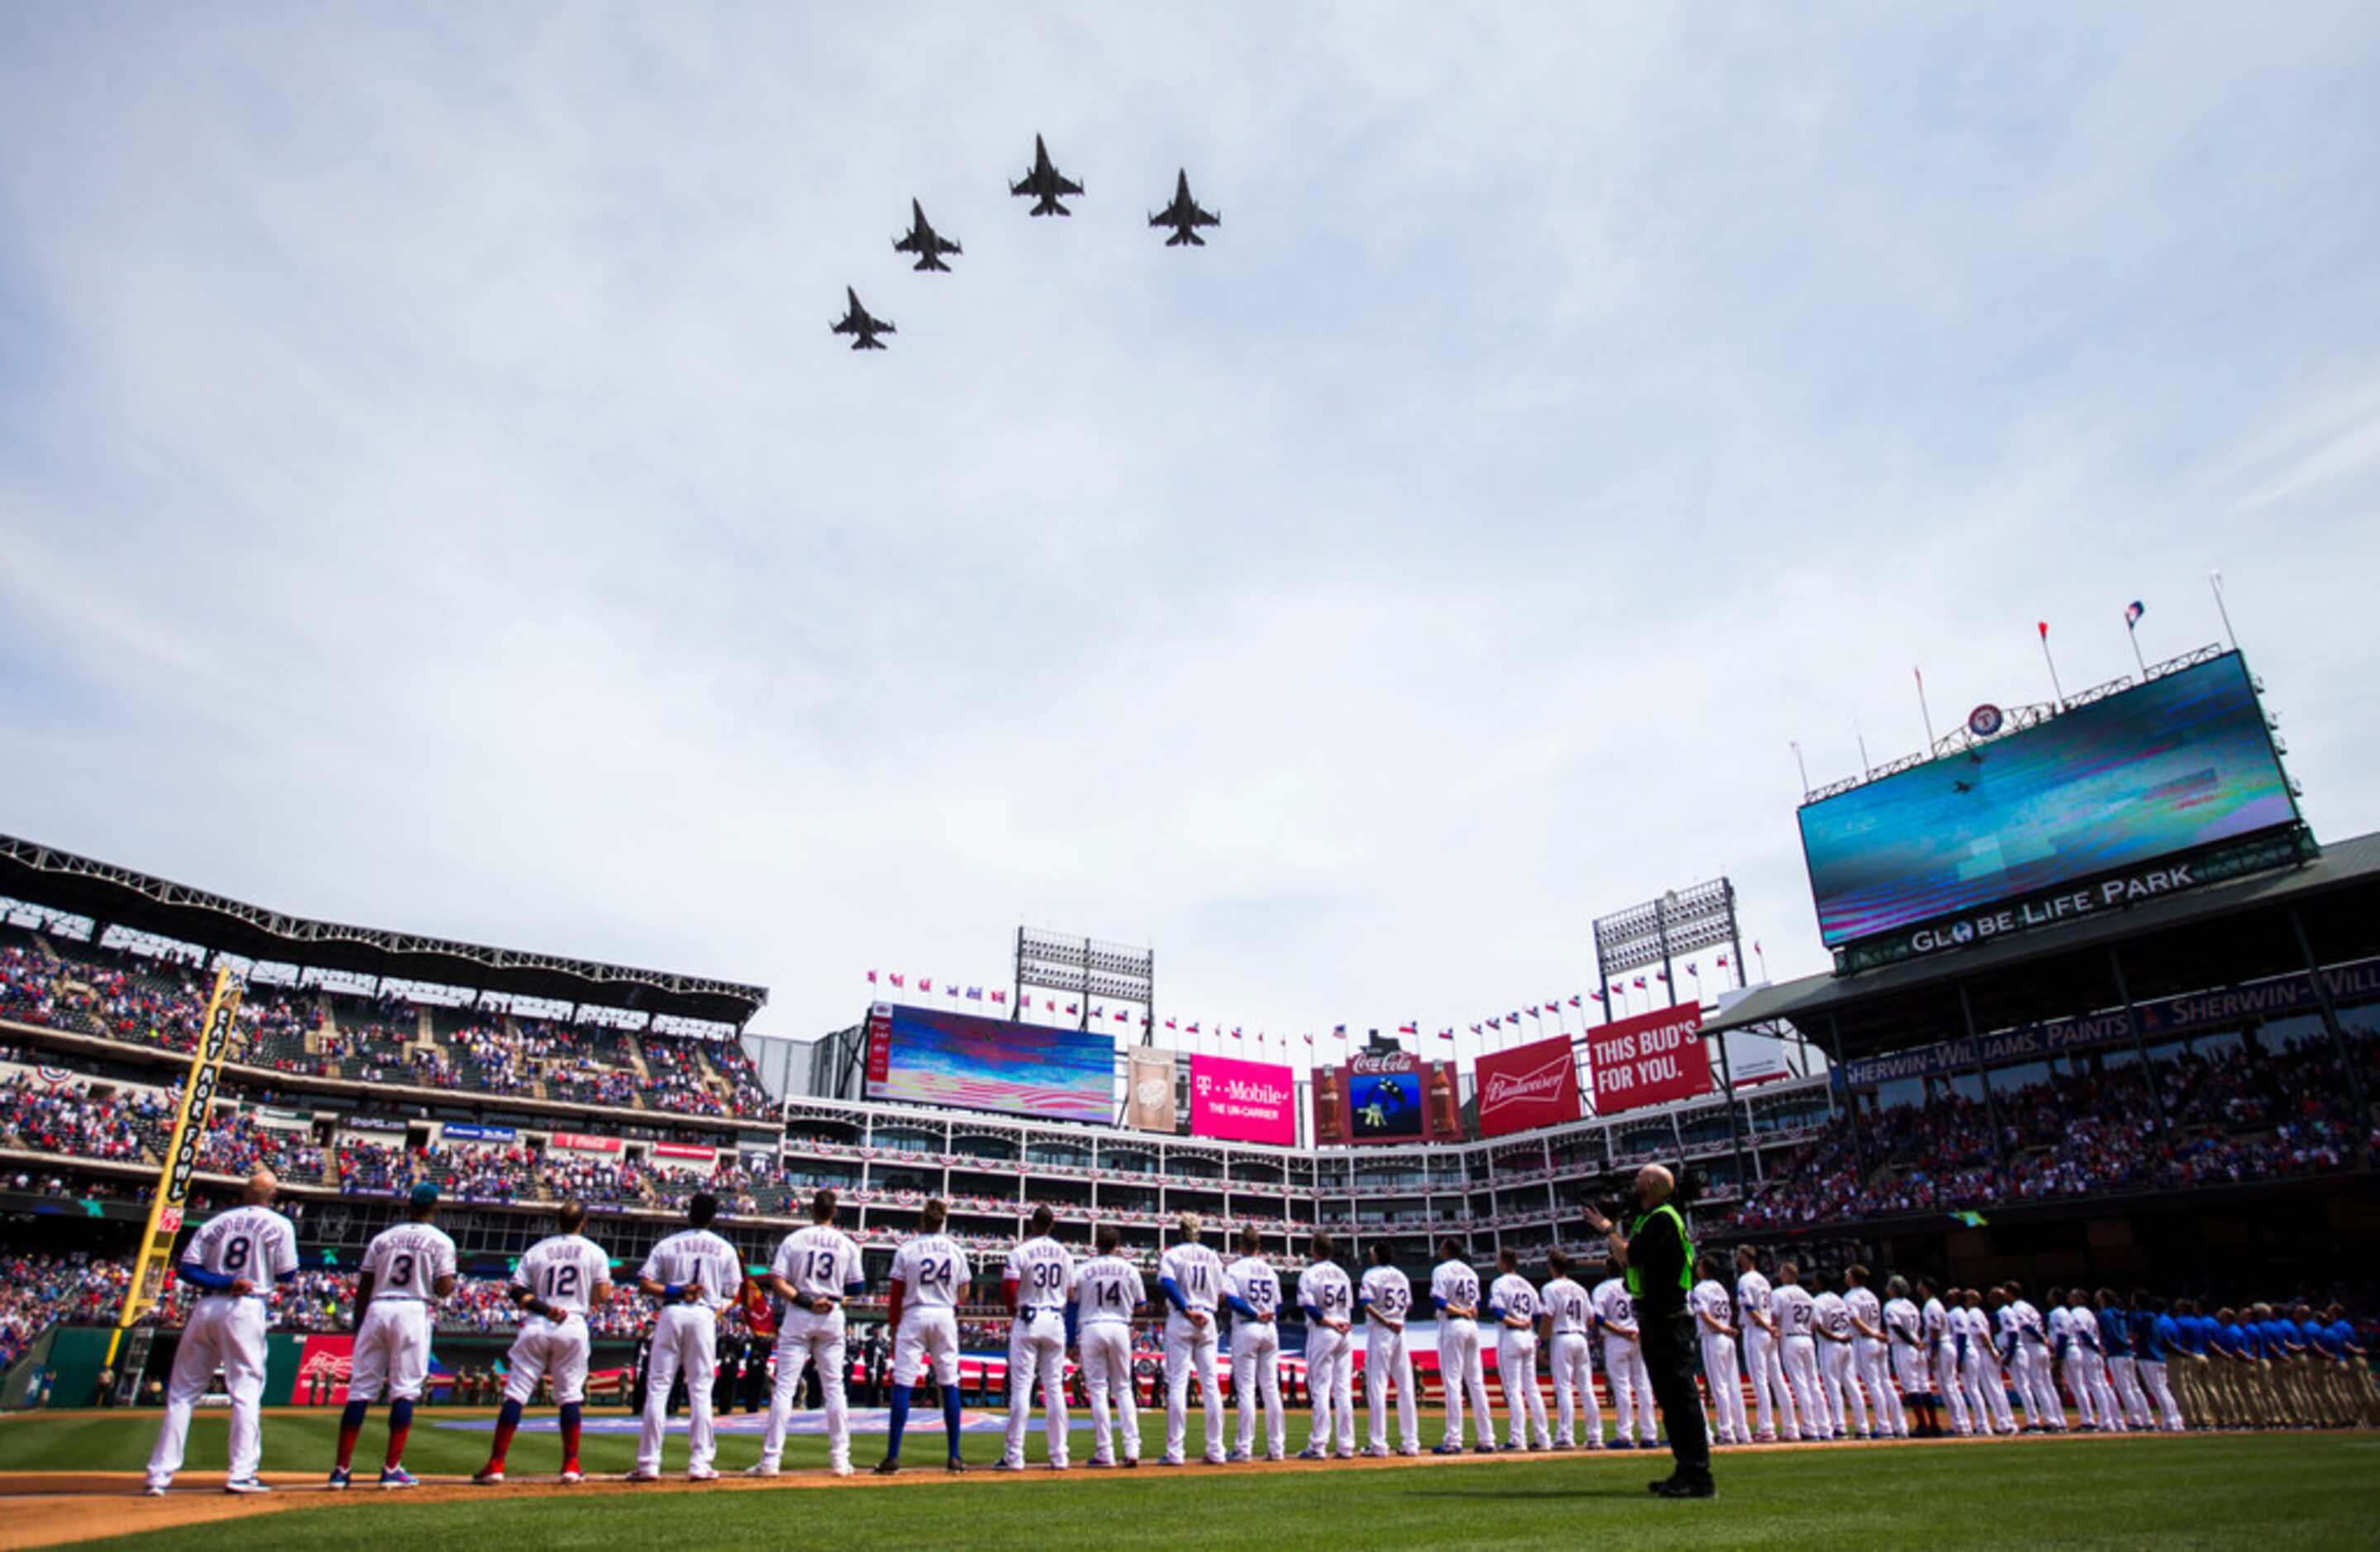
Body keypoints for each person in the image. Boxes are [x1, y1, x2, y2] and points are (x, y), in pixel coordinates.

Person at [142, 1169, 298, 1496]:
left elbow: (186, 1269)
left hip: (205, 1307)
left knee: (182, 1392)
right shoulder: (280, 1224)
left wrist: (223, 1280)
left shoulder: (215, 1223)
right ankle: (241, 1473)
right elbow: (287, 1274)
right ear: (273, 1197)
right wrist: (242, 1277)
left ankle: (159, 1475)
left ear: (245, 1193)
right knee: (245, 1391)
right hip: (245, 1307)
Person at [1583, 1164, 1712, 1497]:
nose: (1633, 1185)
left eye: (1640, 1180)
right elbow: (1631, 1262)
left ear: (1652, 1185)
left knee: (1680, 1399)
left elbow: (1629, 1255)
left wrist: (1608, 1228)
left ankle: (1698, 1475)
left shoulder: (1662, 1218)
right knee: (1671, 1399)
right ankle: (1686, 1470)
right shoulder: (1653, 1217)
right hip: (1655, 1316)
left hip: (1667, 1317)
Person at [474, 1202, 611, 1485]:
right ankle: (571, 1465)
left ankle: (496, 1463)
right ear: (583, 1222)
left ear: (557, 1221)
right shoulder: (595, 1252)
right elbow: (602, 1295)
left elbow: (517, 1290)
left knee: (516, 1393)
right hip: (572, 1322)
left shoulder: (537, 1250)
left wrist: (544, 1307)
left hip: (538, 1321)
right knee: (570, 1395)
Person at [331, 1182, 457, 1488]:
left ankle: (341, 1470)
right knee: (405, 1390)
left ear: (408, 1206)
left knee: (360, 1390)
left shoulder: (383, 1239)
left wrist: (360, 1324)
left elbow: (364, 1285)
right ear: (435, 1208)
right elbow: (444, 1288)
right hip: (412, 1309)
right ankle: (391, 1469)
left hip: (377, 1307)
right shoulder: (441, 1241)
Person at [629, 1191, 742, 1483]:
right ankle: (699, 1462)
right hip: (703, 1314)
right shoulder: (724, 1247)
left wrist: (676, 1290)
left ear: (689, 1213)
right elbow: (733, 1292)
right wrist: (717, 1309)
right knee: (701, 1389)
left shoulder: (669, 1244)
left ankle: (648, 1463)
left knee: (658, 1387)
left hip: (672, 1311)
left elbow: (644, 1284)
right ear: (713, 1217)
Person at [751, 1188, 865, 1478]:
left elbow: (778, 1282)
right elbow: (856, 1288)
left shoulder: (795, 1239)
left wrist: (807, 1300)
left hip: (801, 1312)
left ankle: (770, 1461)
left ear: (812, 1211)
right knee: (834, 1387)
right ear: (834, 1212)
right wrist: (832, 1297)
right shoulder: (846, 1243)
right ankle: (840, 1460)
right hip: (831, 1314)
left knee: (785, 1389)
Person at [875, 1197, 971, 1475]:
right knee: (949, 1383)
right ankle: (954, 1455)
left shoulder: (908, 1250)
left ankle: (893, 1455)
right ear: (942, 1222)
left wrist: (894, 1326)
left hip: (914, 1312)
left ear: (922, 1220)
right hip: (943, 1312)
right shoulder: (955, 1250)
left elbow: (895, 1295)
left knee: (903, 1383)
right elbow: (964, 1292)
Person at [999, 1204, 1076, 1471]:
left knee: (1021, 1388)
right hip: (1055, 1318)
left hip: (1028, 1317)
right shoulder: (1064, 1254)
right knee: (1054, 1389)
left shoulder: (1020, 1252)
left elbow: (1009, 1289)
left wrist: (1014, 1311)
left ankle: (1015, 1455)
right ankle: (1059, 1455)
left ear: (1032, 1224)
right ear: (1052, 1225)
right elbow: (1071, 1292)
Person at [1074, 1224, 1147, 1469]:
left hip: (1092, 1325)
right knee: (1124, 1388)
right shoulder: (1130, 1269)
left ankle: (1105, 1451)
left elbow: (1073, 1300)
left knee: (1097, 1390)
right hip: (1119, 1326)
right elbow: (1142, 1306)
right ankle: (1132, 1448)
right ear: (1118, 1245)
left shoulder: (1083, 1269)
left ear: (1096, 1244)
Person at [1157, 1212, 1227, 1466]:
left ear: (1180, 1231)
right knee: (1211, 1385)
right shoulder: (1212, 1256)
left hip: (1182, 1317)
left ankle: (1176, 1452)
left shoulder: (1173, 1254)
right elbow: (1221, 1294)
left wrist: (1187, 1309)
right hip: (1207, 1318)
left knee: (1178, 1383)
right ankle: (1216, 1449)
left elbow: (1166, 1283)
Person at [1223, 1226, 1285, 1463]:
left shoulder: (1235, 1268)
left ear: (1241, 1245)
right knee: (1271, 1389)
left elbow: (1232, 1300)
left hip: (1247, 1327)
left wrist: (1254, 1313)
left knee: (1247, 1390)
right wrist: (1267, 1314)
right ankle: (1277, 1448)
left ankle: (1244, 1448)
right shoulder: (1270, 1271)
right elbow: (1278, 1305)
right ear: (1258, 1246)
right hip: (1270, 1329)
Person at [1429, 1239, 1495, 1454]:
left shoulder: (1441, 1270)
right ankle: (1487, 1438)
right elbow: (1476, 1305)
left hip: (1453, 1324)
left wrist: (1459, 1311)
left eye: (1441, 1247)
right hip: (1471, 1325)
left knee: (1453, 1382)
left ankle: (1454, 1439)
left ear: (1447, 1250)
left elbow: (1439, 1300)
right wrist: (1466, 1311)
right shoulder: (1470, 1272)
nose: (1439, 1250)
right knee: (1476, 1383)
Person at [1357, 1240, 1420, 1457]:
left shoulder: (1371, 1275)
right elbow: (1408, 1305)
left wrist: (1386, 1321)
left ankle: (1378, 1443)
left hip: (1382, 1330)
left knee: (1377, 1387)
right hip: (1400, 1330)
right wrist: (1395, 1320)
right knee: (1406, 1387)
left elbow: (1367, 1304)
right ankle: (1411, 1442)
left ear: (1376, 1255)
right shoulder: (1401, 1275)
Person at [1299, 1233, 1357, 1459]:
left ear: (1315, 1249)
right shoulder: (1342, 1273)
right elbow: (1349, 1306)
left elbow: (1310, 1307)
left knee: (1320, 1389)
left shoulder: (1309, 1274)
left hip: (1324, 1330)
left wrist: (1329, 1322)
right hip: (1344, 1331)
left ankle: (1318, 1445)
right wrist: (1339, 1323)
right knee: (1344, 1390)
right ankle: (1346, 1445)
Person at [1488, 1249, 1551, 1451]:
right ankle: (1543, 1439)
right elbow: (1540, 1315)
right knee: (1532, 1389)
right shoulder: (1527, 1285)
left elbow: (1498, 1312)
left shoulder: (1499, 1283)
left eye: (1498, 1258)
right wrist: (1539, 1338)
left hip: (1511, 1335)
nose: (1497, 1262)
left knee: (1513, 1391)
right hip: (1529, 1336)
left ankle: (1517, 1439)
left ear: (1504, 1262)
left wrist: (1516, 1322)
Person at [1592, 1256, 1659, 1447]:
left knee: (1622, 1387)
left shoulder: (1603, 1289)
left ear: (1607, 1270)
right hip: (1637, 1336)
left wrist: (1621, 1331)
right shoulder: (1634, 1284)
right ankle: (1649, 1434)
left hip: (1617, 1338)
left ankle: (1625, 1435)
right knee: (1643, 1385)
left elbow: (1598, 1317)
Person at [1538, 1250, 1601, 1450]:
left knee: (1564, 1387)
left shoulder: (1550, 1288)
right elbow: (1591, 1319)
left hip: (1562, 1336)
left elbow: (1548, 1315)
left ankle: (1566, 1435)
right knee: (1586, 1388)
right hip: (1580, 1335)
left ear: (1552, 1266)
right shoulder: (1580, 1289)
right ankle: (1595, 1436)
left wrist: (1542, 1341)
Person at [1734, 1246, 1795, 1443]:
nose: (1736, 1257)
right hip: (1769, 1329)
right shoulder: (1764, 1280)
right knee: (1777, 1379)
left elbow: (1749, 1308)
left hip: (1756, 1329)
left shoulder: (1745, 1279)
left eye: (1738, 1254)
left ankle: (1766, 1428)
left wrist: (1766, 1327)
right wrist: (1771, 1328)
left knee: (1760, 1380)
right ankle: (1790, 1426)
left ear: (1743, 1257)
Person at [1689, 1253, 1744, 1447]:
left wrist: (1721, 1328)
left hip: (1714, 1336)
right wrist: (1726, 1328)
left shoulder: (1701, 1288)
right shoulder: (1720, 1288)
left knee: (1719, 1385)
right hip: (1726, 1335)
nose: (1697, 1270)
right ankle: (1742, 1430)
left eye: (1700, 1267)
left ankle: (1726, 1431)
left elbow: (1703, 1314)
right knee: (1733, 1384)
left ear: (1704, 1269)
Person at [1845, 1265, 1905, 1440]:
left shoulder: (1851, 1296)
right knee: (1886, 1382)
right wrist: (1876, 1334)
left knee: (1873, 1383)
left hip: (1865, 1340)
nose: (1846, 1277)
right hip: (1878, 1339)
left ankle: (1884, 1425)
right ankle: (1900, 1425)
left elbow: (1854, 1320)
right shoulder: (1871, 1295)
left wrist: (1871, 1333)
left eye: (1848, 1275)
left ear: (1854, 1278)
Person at [1772, 1261, 1829, 1441]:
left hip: (1791, 1338)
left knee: (1800, 1384)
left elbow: (1774, 1316)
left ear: (1787, 1274)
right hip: (1807, 1338)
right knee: (1814, 1383)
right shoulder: (1808, 1296)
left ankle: (1809, 1427)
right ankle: (1824, 1427)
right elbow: (1815, 1322)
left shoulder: (1780, 1293)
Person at [1810, 1273, 1867, 1440]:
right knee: (1852, 1385)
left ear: (1820, 1284)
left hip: (1831, 1344)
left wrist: (1835, 1337)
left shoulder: (1818, 1301)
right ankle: (1862, 1427)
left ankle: (1840, 1427)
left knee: (1833, 1386)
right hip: (1846, 1342)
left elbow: (1818, 1326)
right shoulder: (1840, 1299)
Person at [1916, 1278, 1970, 1437]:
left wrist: (1932, 1354)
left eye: (1920, 1285)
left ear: (1925, 1288)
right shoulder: (1936, 1304)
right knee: (1951, 1386)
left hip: (1941, 1347)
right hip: (1945, 1346)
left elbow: (1935, 1331)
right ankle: (1962, 1423)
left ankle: (1959, 1425)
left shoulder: (1931, 1305)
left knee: (1947, 1387)